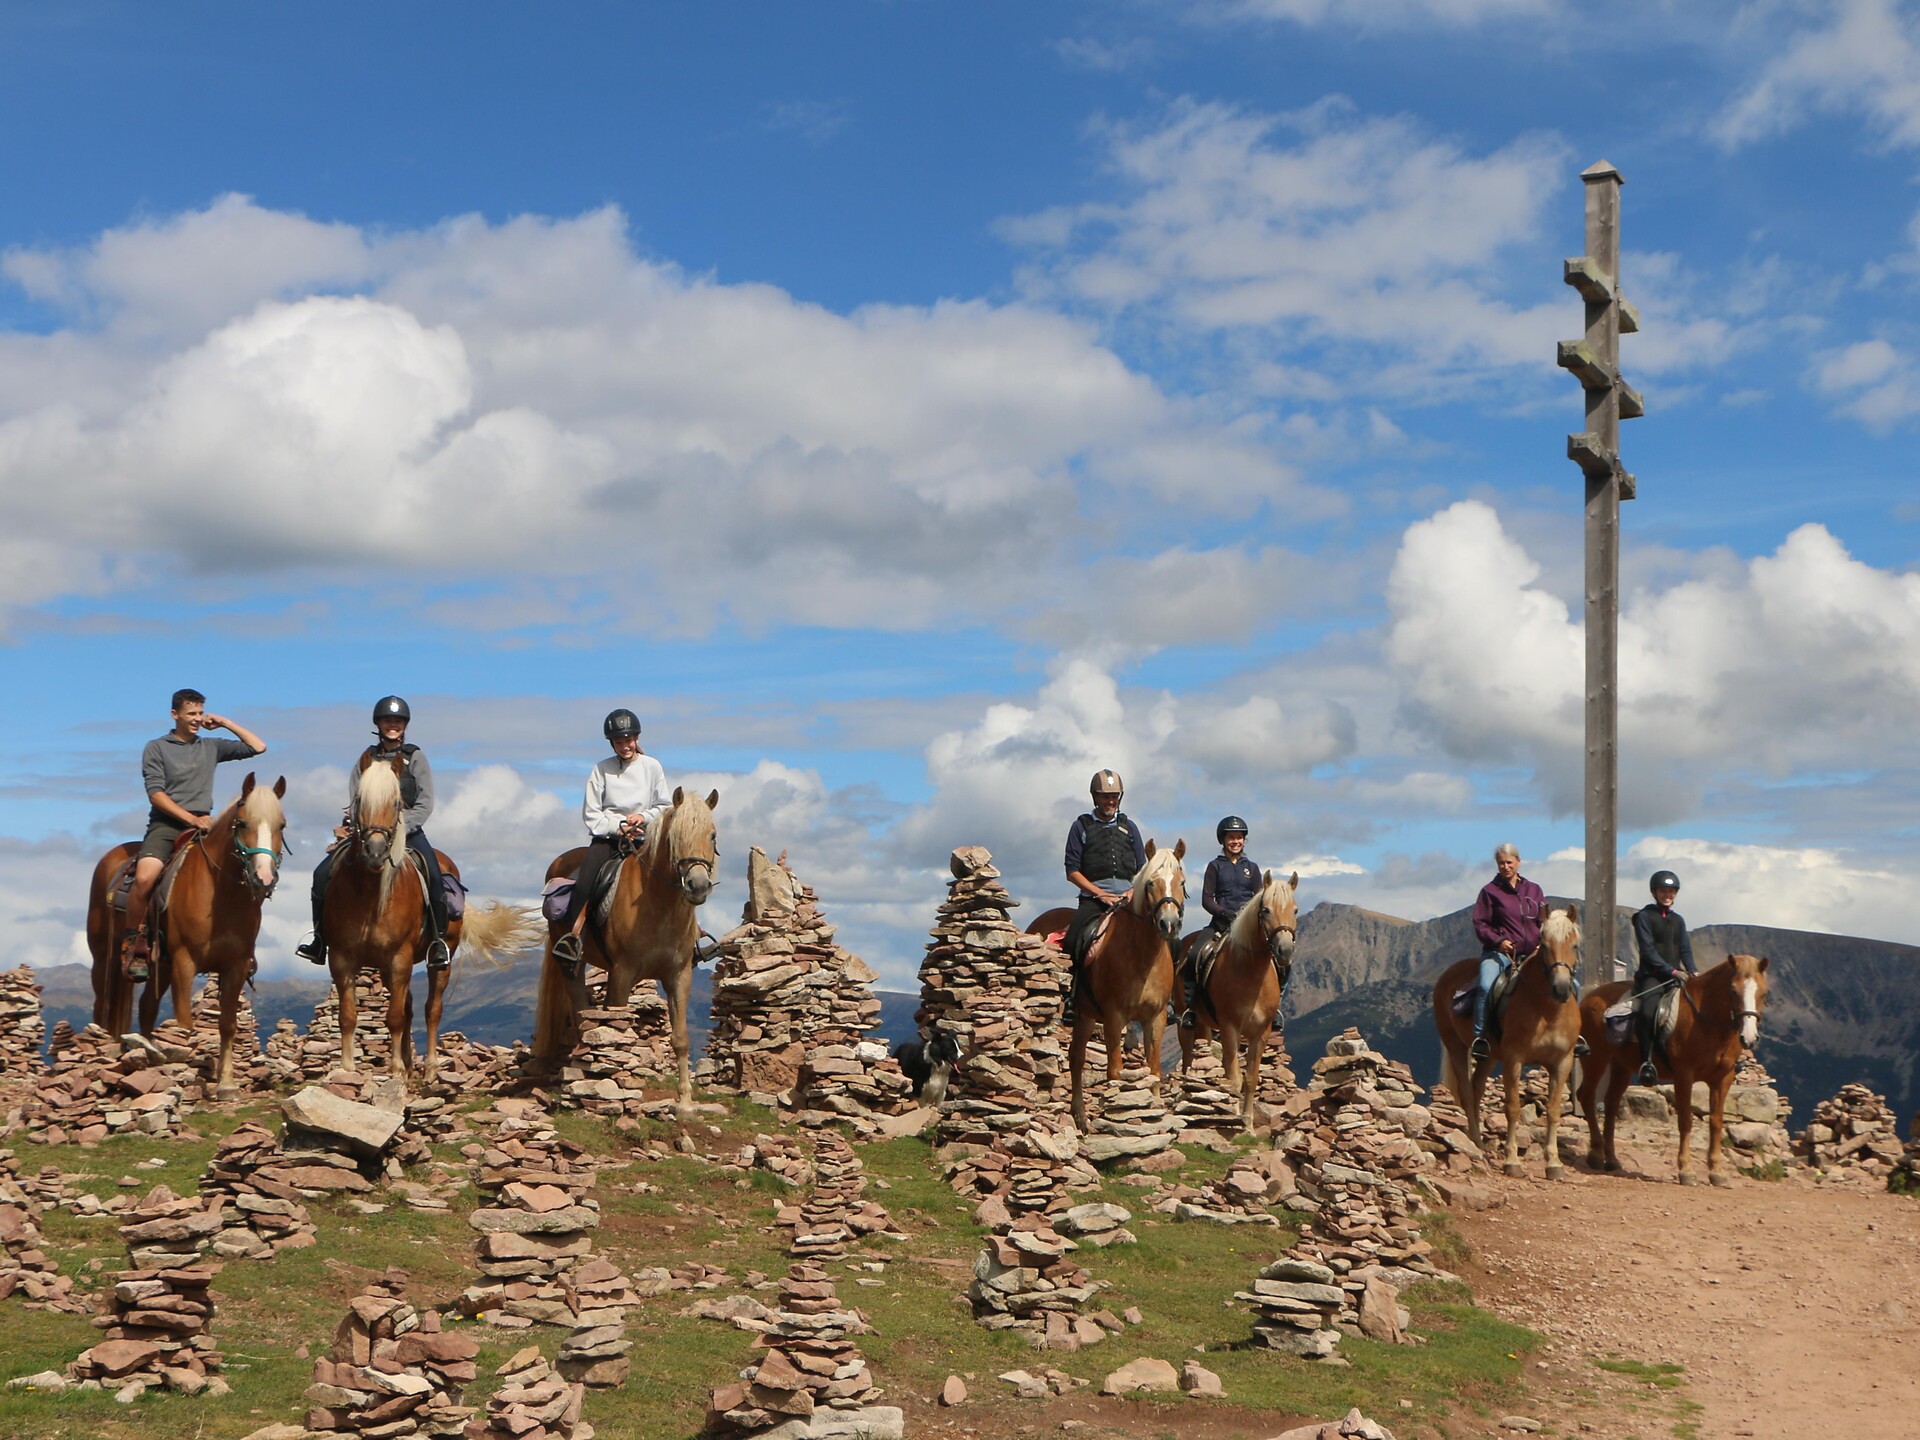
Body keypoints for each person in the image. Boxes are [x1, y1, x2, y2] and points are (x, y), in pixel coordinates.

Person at [124, 689, 268, 982]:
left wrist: (225, 722)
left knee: (241, 870)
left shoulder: (211, 746)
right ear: (174, 715)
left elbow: (258, 746)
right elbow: (156, 794)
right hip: (167, 826)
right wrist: (190, 818)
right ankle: (134, 944)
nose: (197, 719)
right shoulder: (156, 747)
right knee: (145, 877)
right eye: (191, 714)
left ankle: (241, 945)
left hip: (206, 826)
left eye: (201, 713)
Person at [296, 697, 448, 970]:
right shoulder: (366, 759)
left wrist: (403, 826)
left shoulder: (415, 757)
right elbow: (356, 801)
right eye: (388, 721)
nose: (393, 725)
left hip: (407, 832)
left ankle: (437, 941)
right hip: (368, 833)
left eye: (398, 721)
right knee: (321, 875)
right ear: (378, 724)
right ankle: (319, 939)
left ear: (405, 726)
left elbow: (426, 802)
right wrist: (359, 825)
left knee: (435, 878)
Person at [551, 709, 673, 974]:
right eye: (619, 741)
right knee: (585, 882)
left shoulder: (652, 767)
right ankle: (573, 939)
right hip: (608, 840)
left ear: (637, 738)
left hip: (645, 838)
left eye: (628, 740)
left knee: (677, 876)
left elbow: (664, 806)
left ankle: (690, 939)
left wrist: (642, 817)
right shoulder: (601, 770)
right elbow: (591, 814)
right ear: (611, 743)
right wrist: (618, 827)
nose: (625, 745)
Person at [1060, 769, 1147, 1019]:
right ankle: (1071, 997)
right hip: (1094, 901)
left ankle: (1168, 999)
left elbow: (1142, 869)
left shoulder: (1130, 828)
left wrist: (1131, 892)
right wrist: (1099, 894)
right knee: (1074, 938)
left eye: (1114, 797)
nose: (1110, 802)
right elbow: (1072, 871)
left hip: (1129, 900)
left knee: (1165, 937)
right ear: (1095, 797)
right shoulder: (1080, 827)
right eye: (1104, 796)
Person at [1180, 815, 1262, 1027]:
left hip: (1248, 926)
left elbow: (1259, 897)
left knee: (1281, 957)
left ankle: (1275, 1004)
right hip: (1221, 923)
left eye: (1239, 837)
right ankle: (1190, 1008)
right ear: (1223, 840)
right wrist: (1225, 913)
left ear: (1244, 840)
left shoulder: (1252, 868)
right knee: (1194, 954)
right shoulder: (1215, 866)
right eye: (1231, 837)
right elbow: (1207, 899)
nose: (1235, 841)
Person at [1468, 842, 1544, 1061]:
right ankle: (1480, 1037)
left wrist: (1542, 941)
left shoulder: (1534, 890)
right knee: (1485, 986)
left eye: (1509, 862)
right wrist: (1499, 941)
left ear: (1518, 862)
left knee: (1569, 983)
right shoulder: (1490, 892)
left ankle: (1574, 1035)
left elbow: (1543, 919)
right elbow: (1480, 923)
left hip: (1532, 954)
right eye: (1501, 863)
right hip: (1500, 954)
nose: (1505, 866)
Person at [1631, 868, 1694, 1085]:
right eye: (1663, 890)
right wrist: (1672, 971)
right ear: (1654, 892)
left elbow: (1685, 949)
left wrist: (1693, 970)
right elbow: (1648, 951)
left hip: (1677, 977)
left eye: (1671, 891)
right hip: (1653, 977)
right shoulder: (1644, 917)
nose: (1668, 894)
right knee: (1649, 1013)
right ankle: (1646, 1062)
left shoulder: (1679, 920)